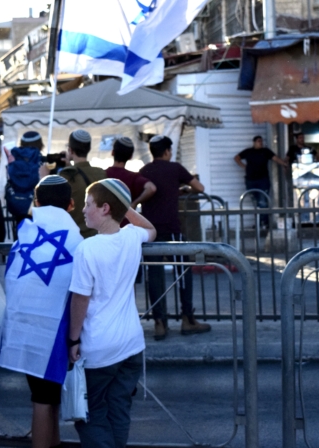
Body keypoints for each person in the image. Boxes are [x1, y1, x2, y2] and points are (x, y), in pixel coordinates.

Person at [68, 178, 157, 448]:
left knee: (91, 413)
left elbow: (80, 300)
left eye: (88, 204)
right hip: (131, 344)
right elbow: (150, 229)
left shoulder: (87, 249)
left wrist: (73, 340)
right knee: (119, 409)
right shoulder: (131, 236)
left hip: (99, 347)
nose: (83, 210)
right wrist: (124, 206)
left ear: (105, 208)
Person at [0, 175, 82, 448]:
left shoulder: (24, 235)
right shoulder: (77, 241)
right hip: (53, 333)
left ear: (36, 202)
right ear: (71, 204)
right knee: (44, 401)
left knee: (46, 399)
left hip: (24, 326)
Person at [139, 135, 210, 341]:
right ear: (168, 151)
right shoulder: (175, 168)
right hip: (172, 230)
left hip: (150, 231)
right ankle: (187, 319)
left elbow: (153, 191)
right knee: (182, 273)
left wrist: (173, 191)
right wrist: (183, 189)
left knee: (154, 276)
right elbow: (200, 188)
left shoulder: (145, 171)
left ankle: (159, 323)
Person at [60, 129, 106, 238]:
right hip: (96, 235)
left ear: (70, 150)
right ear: (89, 149)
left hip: (73, 237)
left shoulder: (65, 175)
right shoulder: (101, 173)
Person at [234, 135, 288, 228]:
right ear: (254, 142)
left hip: (263, 180)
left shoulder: (265, 151)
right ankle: (259, 223)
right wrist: (244, 166)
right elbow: (237, 158)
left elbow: (275, 158)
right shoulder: (248, 151)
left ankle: (264, 223)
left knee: (262, 201)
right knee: (255, 202)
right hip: (250, 180)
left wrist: (284, 164)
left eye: (261, 141)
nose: (261, 143)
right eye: (259, 141)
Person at [105, 137, 157, 224]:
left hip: (105, 226)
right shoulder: (134, 177)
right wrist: (135, 203)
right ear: (130, 156)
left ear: (112, 152)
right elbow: (152, 188)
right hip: (126, 226)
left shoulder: (102, 175)